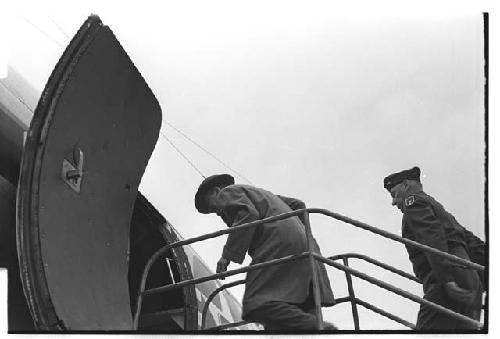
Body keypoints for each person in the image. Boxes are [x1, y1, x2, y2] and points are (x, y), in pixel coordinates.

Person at [195, 174, 337, 330]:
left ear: (216, 191)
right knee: (289, 313)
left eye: (211, 206)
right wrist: (299, 234)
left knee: (258, 304)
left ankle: (319, 328)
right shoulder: (264, 195)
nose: (215, 212)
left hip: (278, 242)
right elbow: (299, 205)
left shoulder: (227, 192)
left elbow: (248, 215)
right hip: (306, 248)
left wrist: (226, 256)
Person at [384, 166, 484, 330]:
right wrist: (479, 282)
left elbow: (432, 240)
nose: (393, 202)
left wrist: (447, 280)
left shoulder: (414, 203)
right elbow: (474, 243)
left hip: (446, 282)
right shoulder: (438, 208)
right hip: (470, 282)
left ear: (406, 185)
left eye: (393, 194)